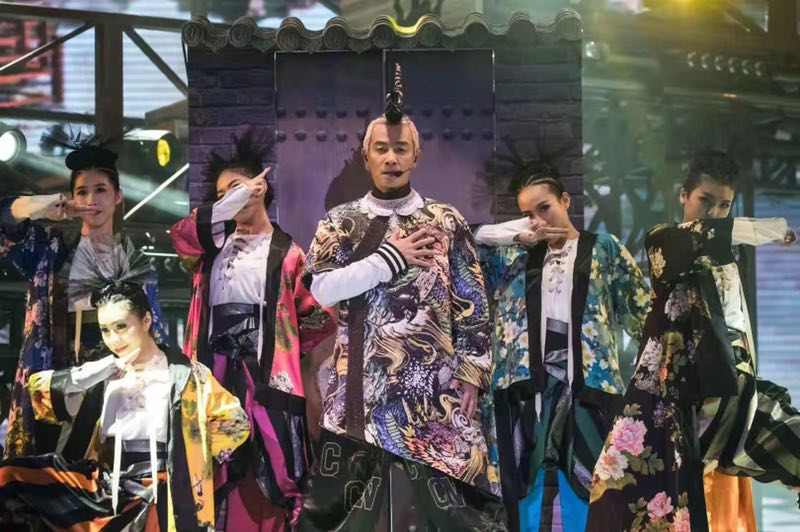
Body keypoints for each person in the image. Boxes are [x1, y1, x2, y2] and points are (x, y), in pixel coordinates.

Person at [299, 64, 506, 531]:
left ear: (416, 156)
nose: (391, 158)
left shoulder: (446, 220)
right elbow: (321, 287)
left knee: (458, 516)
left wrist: (472, 374)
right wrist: (390, 258)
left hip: (436, 391)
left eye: (401, 148)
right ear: (365, 156)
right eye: (381, 148)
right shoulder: (341, 222)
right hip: (361, 393)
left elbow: (471, 302)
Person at [587, 149, 800, 532]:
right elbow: (696, 239)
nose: (713, 212)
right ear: (683, 195)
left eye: (724, 205)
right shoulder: (664, 241)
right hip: (670, 395)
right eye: (705, 200)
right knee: (621, 489)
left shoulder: (727, 260)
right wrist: (761, 230)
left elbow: (736, 330)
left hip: (727, 390)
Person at [170, 129, 335, 529]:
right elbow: (181, 236)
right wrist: (230, 202)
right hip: (213, 370)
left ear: (260, 188)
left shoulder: (289, 253)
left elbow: (316, 318)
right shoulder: (208, 249)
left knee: (270, 475)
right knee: (207, 470)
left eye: (236, 188)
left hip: (264, 374)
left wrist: (288, 354)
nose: (228, 199)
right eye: (220, 194)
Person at [475, 172, 650, 532]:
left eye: (545, 208)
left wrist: (652, 382)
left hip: (589, 383)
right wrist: (518, 234)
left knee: (593, 484)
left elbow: (642, 314)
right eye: (529, 214)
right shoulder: (512, 256)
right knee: (522, 485)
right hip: (525, 385)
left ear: (565, 201)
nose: (539, 220)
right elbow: (467, 239)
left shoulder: (603, 249)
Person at [0, 281, 249, 530]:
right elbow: (38, 393)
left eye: (121, 326)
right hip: (106, 488)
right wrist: (97, 369)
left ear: (146, 320)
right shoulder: (104, 374)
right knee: (9, 477)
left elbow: (236, 424)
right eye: (105, 330)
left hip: (161, 489)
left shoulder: (186, 374)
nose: (114, 339)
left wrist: (192, 458)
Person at [0, 131, 166, 459]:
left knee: (101, 472)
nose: (92, 200)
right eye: (82, 192)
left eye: (101, 190)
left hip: (113, 382)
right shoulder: (51, 250)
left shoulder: (135, 263)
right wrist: (42, 205)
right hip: (53, 376)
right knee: (42, 471)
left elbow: (153, 333)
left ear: (118, 196)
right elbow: (6, 221)